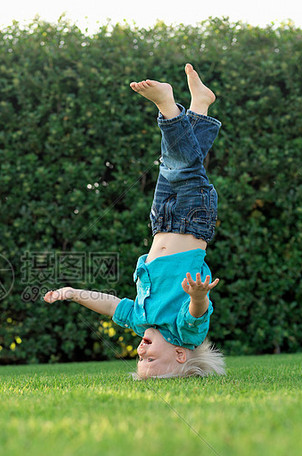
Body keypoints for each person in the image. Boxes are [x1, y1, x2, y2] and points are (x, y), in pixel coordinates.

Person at [44, 64, 225, 379]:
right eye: (150, 361)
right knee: (178, 164)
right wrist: (198, 296)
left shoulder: (141, 320)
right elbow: (197, 315)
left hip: (161, 223)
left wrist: (74, 293)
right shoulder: (184, 333)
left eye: (139, 360)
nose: (141, 352)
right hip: (193, 220)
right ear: (180, 355)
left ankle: (201, 105)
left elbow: (112, 306)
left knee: (180, 164)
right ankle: (167, 106)